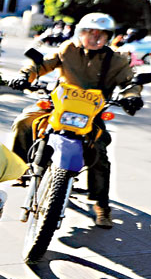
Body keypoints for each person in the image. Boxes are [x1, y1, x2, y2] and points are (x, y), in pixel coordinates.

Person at [7, 12, 143, 229]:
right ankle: (20, 168)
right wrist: (25, 76)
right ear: (81, 33)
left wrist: (132, 97)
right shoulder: (67, 49)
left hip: (91, 112)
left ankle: (101, 205)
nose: (95, 37)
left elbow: (129, 83)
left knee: (100, 152)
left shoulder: (117, 60)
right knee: (24, 120)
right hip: (59, 104)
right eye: (90, 32)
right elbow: (42, 65)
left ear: (109, 36)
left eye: (101, 34)